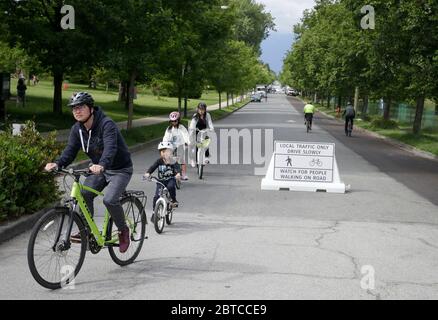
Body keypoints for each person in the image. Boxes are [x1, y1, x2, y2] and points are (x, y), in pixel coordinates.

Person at [44, 92, 133, 253]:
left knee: (110, 200)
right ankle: (87, 230)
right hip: (99, 169)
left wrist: (102, 165)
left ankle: (123, 230)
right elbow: (70, 151)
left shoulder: (107, 125)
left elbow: (110, 148)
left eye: (81, 107)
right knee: (84, 194)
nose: (77, 111)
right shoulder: (77, 129)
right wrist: (57, 164)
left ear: (91, 108)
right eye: (74, 108)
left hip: (120, 169)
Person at [144, 141, 180, 220]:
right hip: (161, 181)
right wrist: (148, 173)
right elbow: (153, 167)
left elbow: (177, 168)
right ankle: (154, 212)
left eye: (168, 152)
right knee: (156, 196)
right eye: (163, 152)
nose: (165, 154)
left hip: (170, 179)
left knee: (171, 187)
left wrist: (177, 174)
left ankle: (173, 200)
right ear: (160, 153)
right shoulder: (159, 161)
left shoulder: (173, 161)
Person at [163, 111, 190, 180]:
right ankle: (166, 172)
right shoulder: (169, 129)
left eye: (175, 121)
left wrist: (187, 141)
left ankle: (183, 174)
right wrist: (164, 144)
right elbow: (166, 137)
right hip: (171, 145)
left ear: (178, 120)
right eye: (172, 121)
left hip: (180, 145)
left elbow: (186, 135)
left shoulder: (181, 127)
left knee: (181, 159)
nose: (174, 122)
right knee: (166, 157)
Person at [189, 102, 214, 167]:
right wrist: (192, 129)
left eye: (203, 109)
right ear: (197, 109)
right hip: (196, 131)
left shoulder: (207, 115)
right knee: (194, 145)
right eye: (200, 109)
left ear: (205, 110)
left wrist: (211, 129)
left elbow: (210, 122)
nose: (201, 111)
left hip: (204, 131)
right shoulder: (195, 116)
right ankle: (193, 159)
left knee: (206, 143)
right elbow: (192, 124)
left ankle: (206, 156)